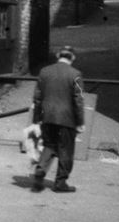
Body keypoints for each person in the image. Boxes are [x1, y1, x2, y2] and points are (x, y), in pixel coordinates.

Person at [31, 46, 85, 193]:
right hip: (67, 119)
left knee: (49, 145)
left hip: (47, 117)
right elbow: (78, 100)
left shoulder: (44, 72)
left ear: (57, 55)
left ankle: (40, 171)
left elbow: (37, 98)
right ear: (72, 58)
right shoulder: (76, 74)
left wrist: (36, 119)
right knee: (66, 150)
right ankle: (60, 183)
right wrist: (80, 121)